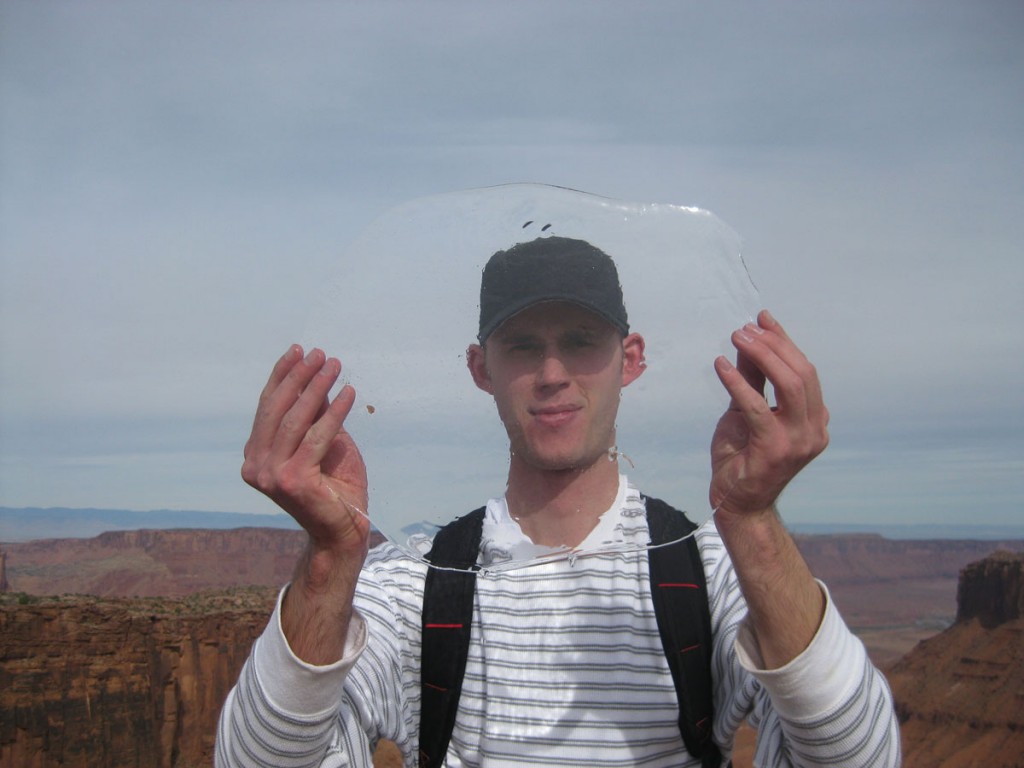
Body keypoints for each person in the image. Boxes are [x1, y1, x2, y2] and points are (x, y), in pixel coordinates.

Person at [216, 236, 900, 767]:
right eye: (523, 346)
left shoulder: (709, 575)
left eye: (581, 343)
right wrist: (335, 557)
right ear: (482, 368)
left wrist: (751, 523)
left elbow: (857, 755)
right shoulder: (415, 586)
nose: (552, 375)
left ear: (630, 358)